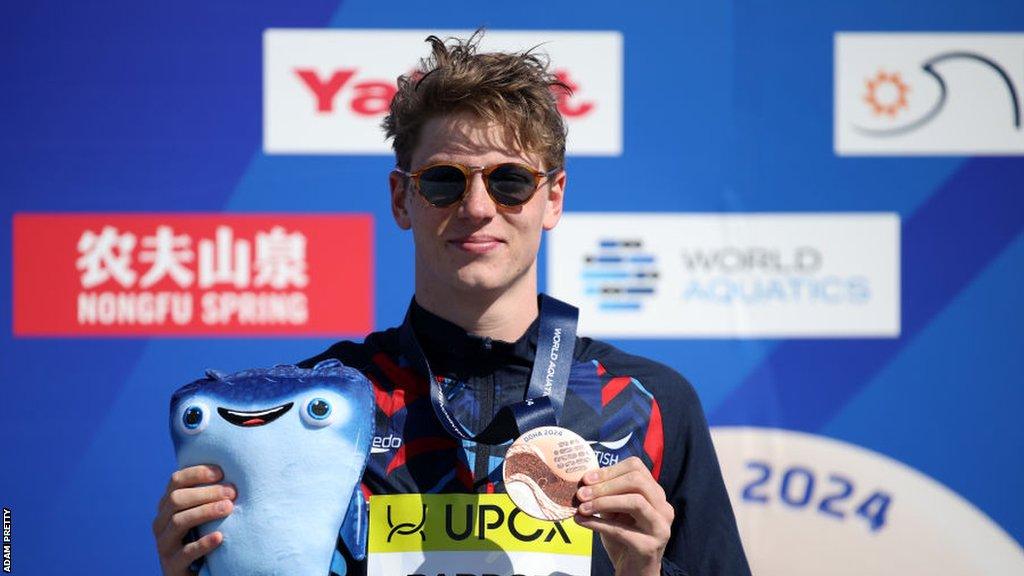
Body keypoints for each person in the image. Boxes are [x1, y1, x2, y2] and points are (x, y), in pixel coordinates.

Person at [153, 32, 751, 576]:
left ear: (554, 198)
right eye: (444, 180)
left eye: (509, 180)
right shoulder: (309, 409)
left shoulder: (650, 404)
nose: (477, 207)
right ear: (400, 198)